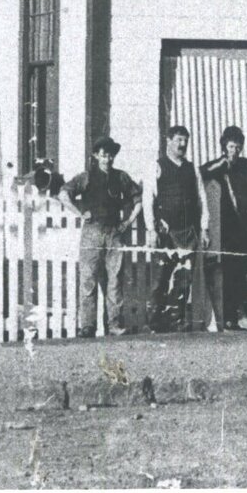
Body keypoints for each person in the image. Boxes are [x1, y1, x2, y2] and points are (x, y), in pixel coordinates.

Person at [63, 137, 143, 337]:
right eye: (104, 155)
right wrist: (80, 213)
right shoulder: (86, 177)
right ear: (96, 156)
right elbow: (64, 194)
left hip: (114, 232)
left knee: (115, 279)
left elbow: (137, 198)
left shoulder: (121, 177)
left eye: (110, 155)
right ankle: (87, 326)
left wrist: (128, 222)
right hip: (92, 232)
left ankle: (114, 324)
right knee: (88, 278)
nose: (108, 159)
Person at [146, 123, 213, 331]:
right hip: (165, 231)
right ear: (168, 141)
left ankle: (177, 319)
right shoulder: (157, 167)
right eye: (178, 140)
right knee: (160, 277)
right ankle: (155, 321)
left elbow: (202, 199)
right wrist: (151, 229)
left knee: (184, 277)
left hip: (188, 231)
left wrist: (204, 228)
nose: (182, 144)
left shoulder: (192, 168)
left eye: (185, 140)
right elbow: (148, 199)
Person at [199, 125, 247, 330]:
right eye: (231, 147)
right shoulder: (219, 166)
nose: (234, 151)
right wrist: (222, 163)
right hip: (229, 227)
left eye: (237, 147)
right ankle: (229, 315)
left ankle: (244, 311)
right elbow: (201, 173)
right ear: (224, 147)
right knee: (230, 270)